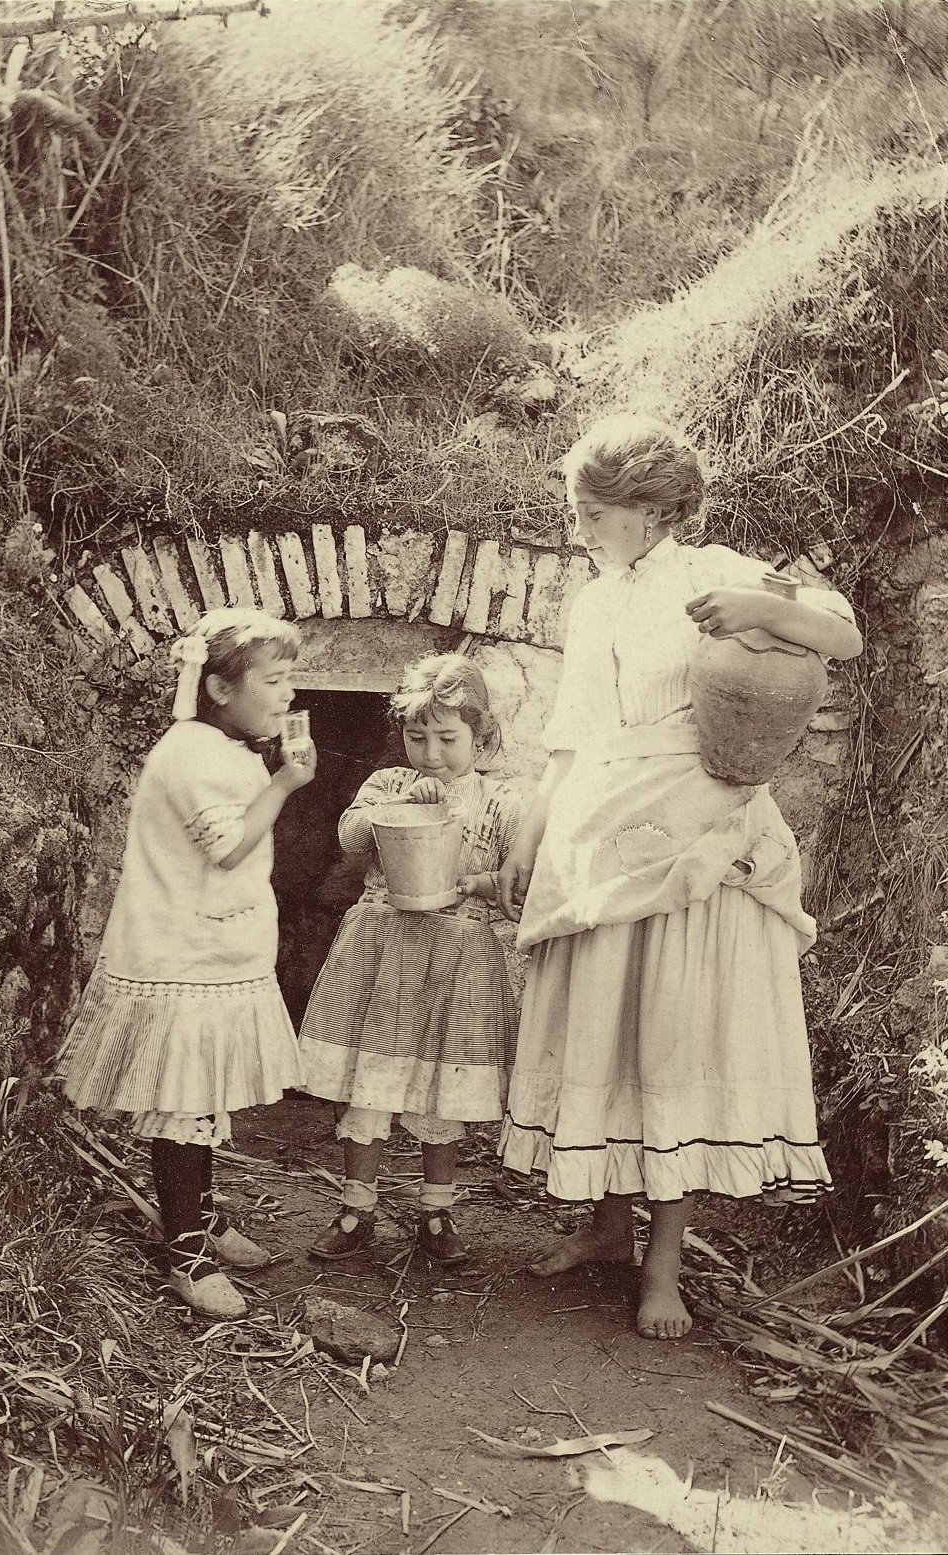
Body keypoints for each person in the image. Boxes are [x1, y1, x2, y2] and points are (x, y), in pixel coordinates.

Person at [497, 413, 863, 1340]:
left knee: (675, 1034)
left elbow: (841, 639)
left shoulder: (715, 573)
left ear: (655, 511)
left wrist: (765, 613)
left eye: (593, 511)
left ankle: (662, 1266)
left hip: (704, 830)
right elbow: (571, 733)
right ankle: (605, 1230)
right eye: (576, 509)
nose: (579, 526)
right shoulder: (593, 602)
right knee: (615, 1025)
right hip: (610, 824)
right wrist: (528, 838)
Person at [56, 608, 316, 1319]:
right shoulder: (192, 751)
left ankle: (201, 1216)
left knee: (201, 1095)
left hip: (212, 948)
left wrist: (271, 774)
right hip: (179, 953)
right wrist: (287, 784)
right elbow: (226, 846)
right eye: (275, 679)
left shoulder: (222, 745)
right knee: (182, 1102)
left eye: (289, 678)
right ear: (222, 688)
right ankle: (186, 1254)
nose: (287, 694)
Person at [299, 654, 523, 1267]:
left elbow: (518, 885)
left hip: (457, 954)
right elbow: (348, 838)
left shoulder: (501, 799)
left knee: (439, 1091)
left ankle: (436, 1209)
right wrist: (394, 810)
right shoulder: (387, 785)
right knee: (371, 1083)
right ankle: (356, 1206)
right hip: (384, 949)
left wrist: (471, 885)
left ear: (482, 737)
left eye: (448, 738)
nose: (431, 751)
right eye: (417, 736)